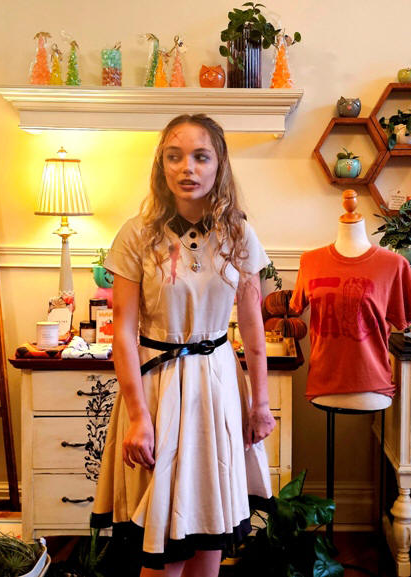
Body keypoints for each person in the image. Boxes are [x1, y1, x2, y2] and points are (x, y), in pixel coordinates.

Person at [91, 114, 275, 577]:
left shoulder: (239, 234)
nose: (187, 167)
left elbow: (252, 327)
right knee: (163, 542)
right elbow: (123, 333)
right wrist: (139, 417)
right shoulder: (137, 234)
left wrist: (260, 404)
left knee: (210, 526)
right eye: (174, 156)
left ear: (219, 165)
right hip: (158, 389)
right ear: (162, 165)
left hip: (216, 389)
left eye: (200, 157)